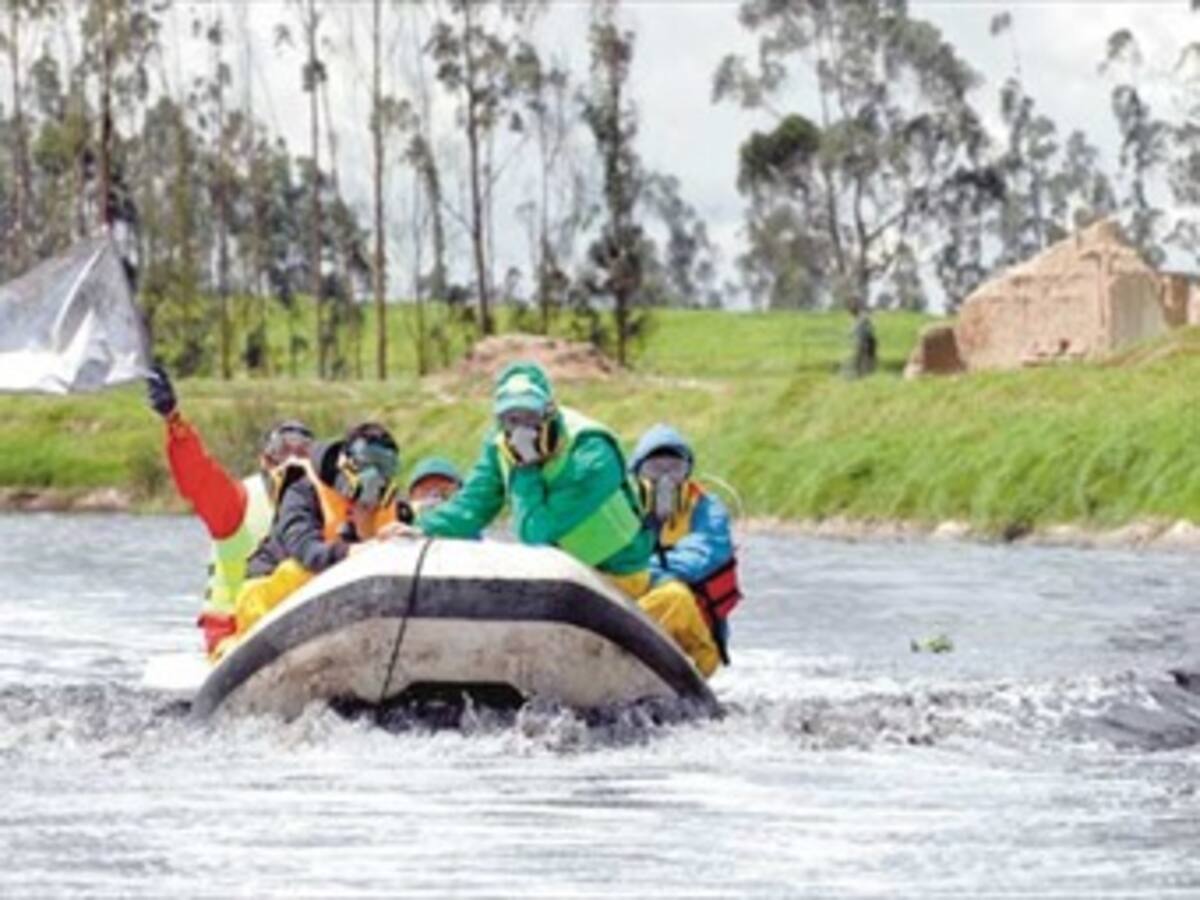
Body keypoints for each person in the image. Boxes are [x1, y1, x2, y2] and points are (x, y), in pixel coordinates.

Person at [413, 362, 717, 676]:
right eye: (510, 420)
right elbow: (470, 508)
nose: (520, 432)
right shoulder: (498, 444)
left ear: (549, 412)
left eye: (530, 418)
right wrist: (416, 528)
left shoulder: (593, 452)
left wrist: (526, 470)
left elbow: (537, 531)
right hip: (562, 578)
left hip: (620, 576)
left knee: (675, 600)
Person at [146, 365, 313, 655]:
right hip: (233, 632)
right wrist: (173, 419)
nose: (292, 463)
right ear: (265, 461)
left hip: (300, 631)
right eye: (282, 452)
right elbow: (197, 474)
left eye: (303, 454)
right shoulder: (236, 503)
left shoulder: (330, 504)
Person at [228, 422, 403, 651]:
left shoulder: (390, 507)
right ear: (344, 462)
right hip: (270, 599)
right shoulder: (301, 489)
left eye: (385, 468)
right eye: (367, 464)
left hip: (334, 612)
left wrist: (404, 541)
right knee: (297, 570)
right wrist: (353, 551)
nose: (375, 477)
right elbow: (304, 549)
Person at [630, 424, 742, 672]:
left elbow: (704, 555)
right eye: (654, 468)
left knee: (674, 597)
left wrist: (636, 569)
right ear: (637, 472)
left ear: (687, 471)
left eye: (675, 468)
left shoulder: (708, 508)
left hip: (695, 630)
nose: (665, 479)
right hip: (635, 602)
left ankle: (684, 672)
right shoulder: (619, 506)